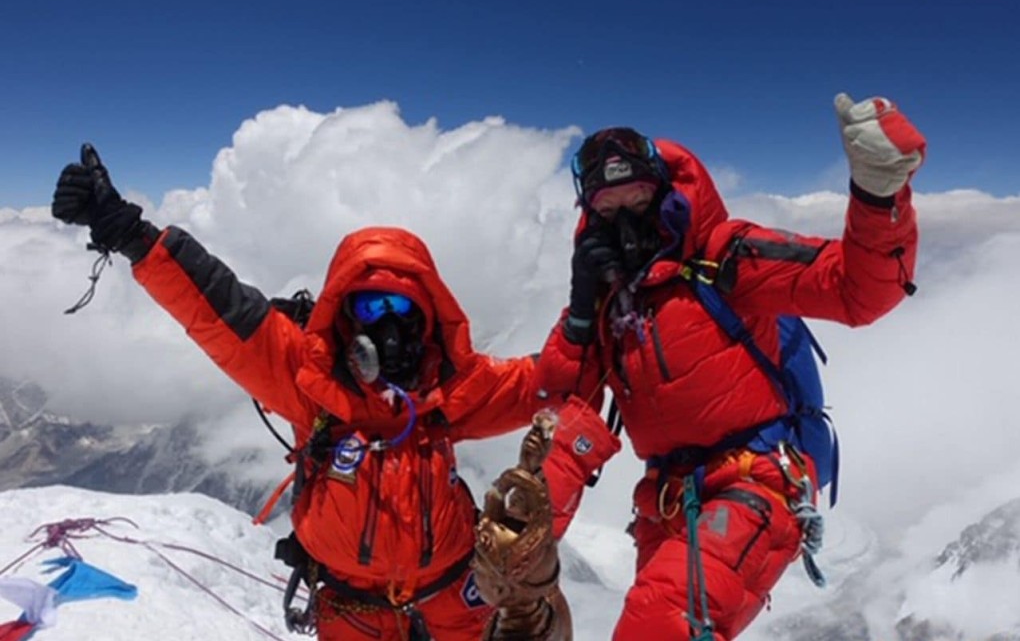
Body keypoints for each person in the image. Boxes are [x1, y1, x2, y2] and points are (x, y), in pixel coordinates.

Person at [49, 146, 578, 640]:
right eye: (371, 309)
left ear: (428, 318)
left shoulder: (451, 387)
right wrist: (129, 233)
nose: (389, 330)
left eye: (404, 311)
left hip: (456, 601)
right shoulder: (309, 379)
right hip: (352, 610)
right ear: (345, 316)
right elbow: (219, 308)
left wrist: (598, 322)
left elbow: (547, 379)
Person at [533, 93, 924, 640]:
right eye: (607, 207)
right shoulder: (606, 297)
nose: (624, 220)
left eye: (638, 197)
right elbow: (563, 406)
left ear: (664, 192)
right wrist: (580, 312)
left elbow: (857, 290)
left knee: (659, 623)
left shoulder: (726, 255)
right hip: (666, 499)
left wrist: (878, 195)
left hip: (756, 479)